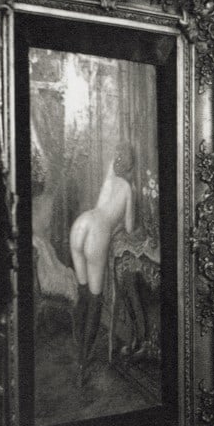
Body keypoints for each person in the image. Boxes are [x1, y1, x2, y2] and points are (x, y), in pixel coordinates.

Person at [69, 142, 136, 380]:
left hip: (81, 224)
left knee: (83, 291)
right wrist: (116, 226)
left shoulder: (108, 181)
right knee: (96, 300)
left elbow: (102, 204)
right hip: (98, 233)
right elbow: (129, 227)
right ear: (131, 167)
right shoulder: (127, 188)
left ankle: (78, 347)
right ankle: (82, 364)